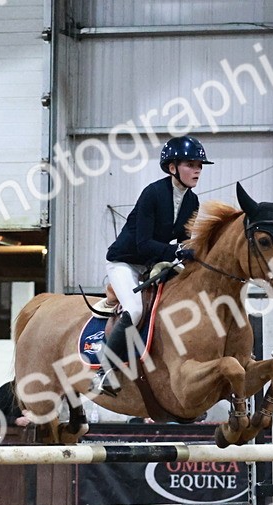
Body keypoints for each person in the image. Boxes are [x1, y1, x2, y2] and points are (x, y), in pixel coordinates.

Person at [92, 134, 212, 396]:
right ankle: (105, 371)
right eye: (191, 164)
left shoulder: (192, 201)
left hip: (152, 263)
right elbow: (144, 243)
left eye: (199, 165)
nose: (197, 170)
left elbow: (184, 241)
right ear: (173, 167)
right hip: (125, 262)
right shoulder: (153, 193)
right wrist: (177, 251)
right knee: (134, 310)